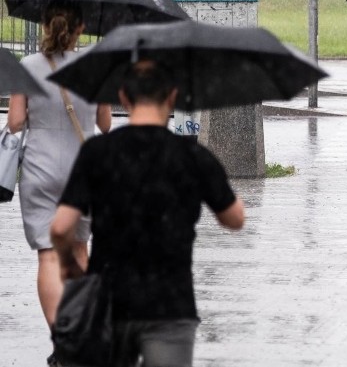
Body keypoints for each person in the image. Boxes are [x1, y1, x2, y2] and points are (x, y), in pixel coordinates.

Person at [50, 60, 245, 367]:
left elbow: (61, 228)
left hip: (109, 304)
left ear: (124, 98)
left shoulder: (98, 152)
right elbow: (234, 219)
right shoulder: (192, 156)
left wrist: (66, 264)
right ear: (172, 98)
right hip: (171, 304)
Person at [6, 2, 112, 365]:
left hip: (39, 169)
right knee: (80, 251)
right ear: (81, 27)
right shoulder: (94, 68)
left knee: (49, 255)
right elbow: (106, 124)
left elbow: (16, 122)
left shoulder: (28, 67)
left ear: (45, 24)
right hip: (82, 170)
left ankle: (61, 340)